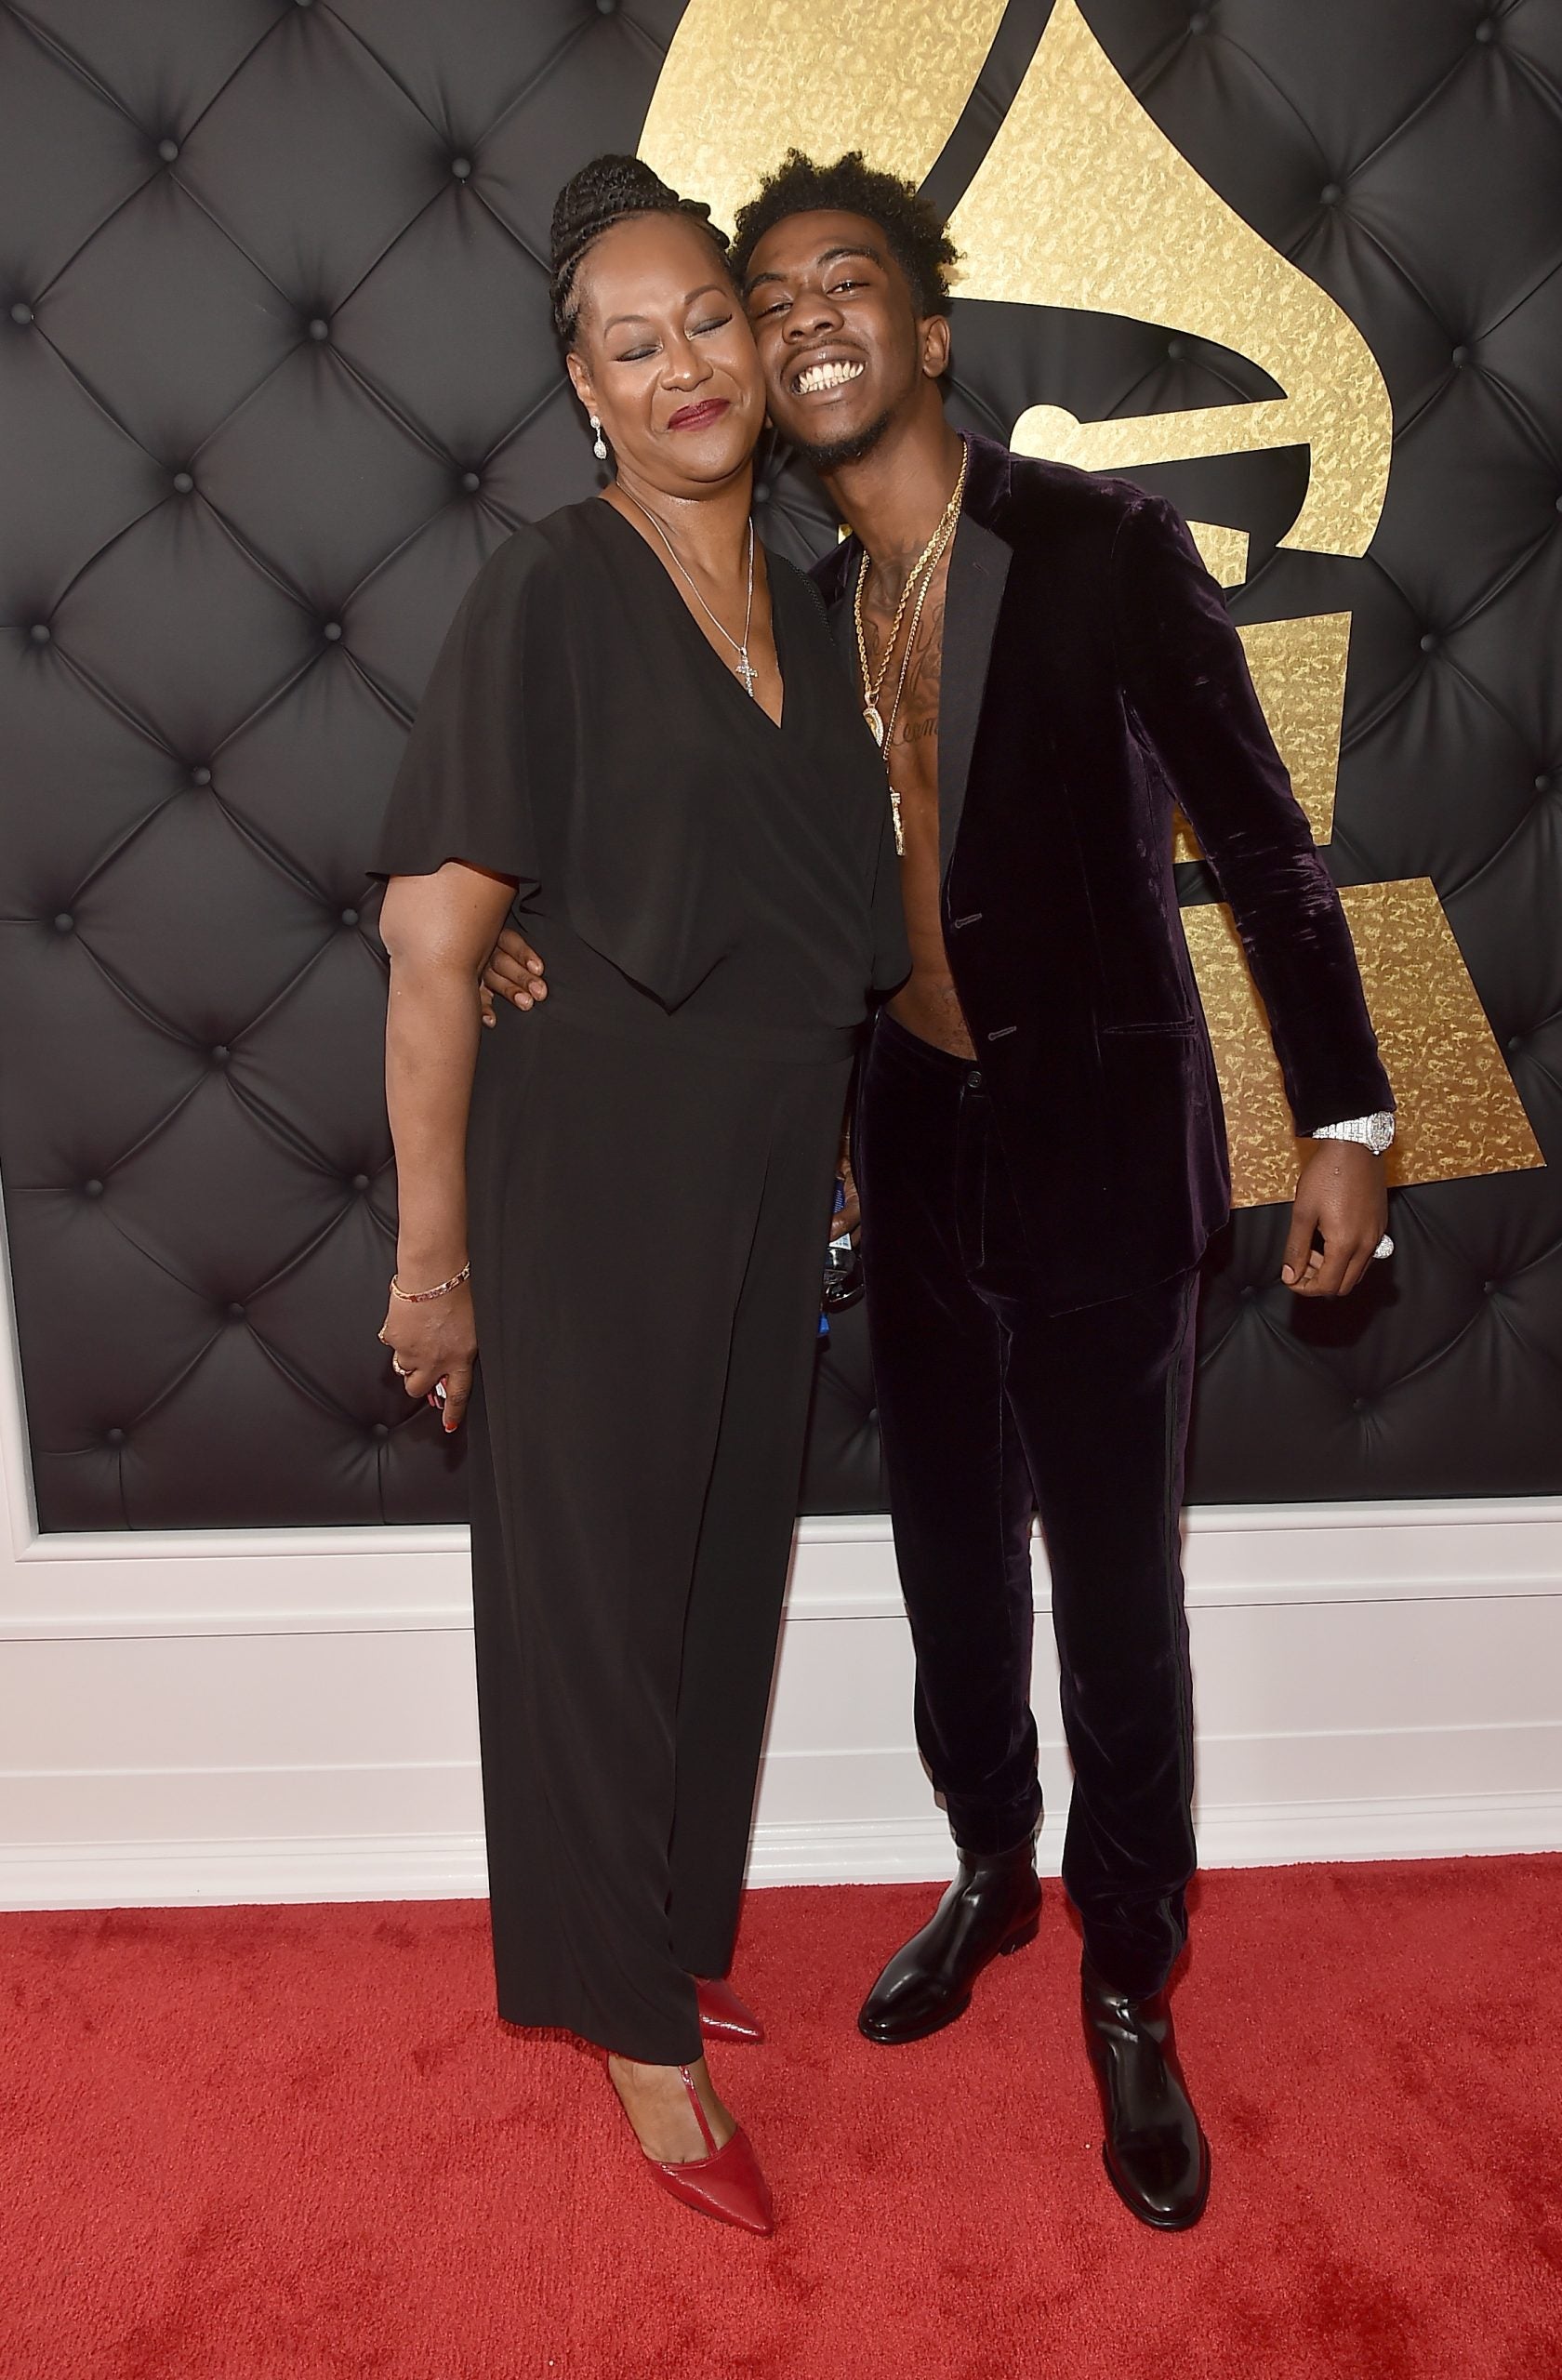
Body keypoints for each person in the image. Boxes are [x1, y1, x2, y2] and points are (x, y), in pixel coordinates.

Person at [483, 151, 1393, 2233]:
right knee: (951, 1570)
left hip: (1102, 1144)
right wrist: (507, 926)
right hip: (907, 1139)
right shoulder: (789, 611)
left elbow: (1267, 843)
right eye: (769, 294)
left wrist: (1347, 1118)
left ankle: (1130, 1975)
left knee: (1117, 1592)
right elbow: (683, 852)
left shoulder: (1102, 546)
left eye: (845, 282)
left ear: (929, 325)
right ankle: (991, 1867)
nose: (802, 318)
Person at [374, 153, 907, 2239]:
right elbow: (433, 944)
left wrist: (837, 1145)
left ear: (760, 354)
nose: (685, 365)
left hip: (774, 1154)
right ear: (583, 391)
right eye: (633, 342)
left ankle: (666, 1933)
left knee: (717, 1571)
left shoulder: (816, 597)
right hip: (593, 1157)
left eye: (708, 322)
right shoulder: (552, 590)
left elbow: (809, 906)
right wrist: (435, 1267)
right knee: (597, 1590)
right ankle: (630, 2024)